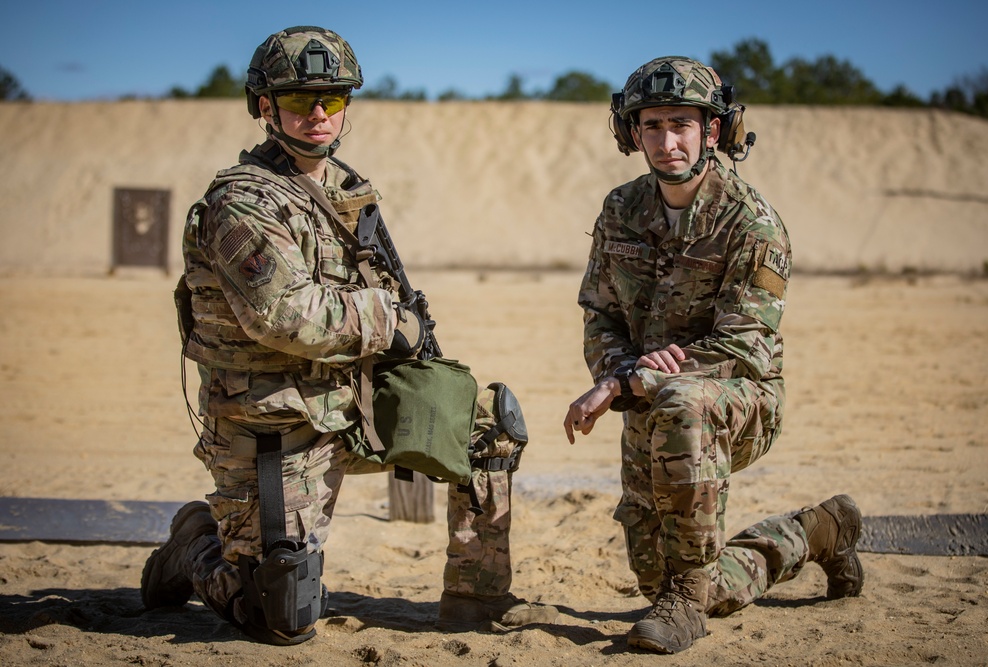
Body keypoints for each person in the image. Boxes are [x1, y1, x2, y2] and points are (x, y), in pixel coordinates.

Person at [141, 25, 556, 645]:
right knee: (278, 616)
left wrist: (418, 355)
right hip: (275, 421)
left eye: (331, 100)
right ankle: (197, 543)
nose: (317, 114)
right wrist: (392, 323)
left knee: (488, 423)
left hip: (353, 399)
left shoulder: (347, 191)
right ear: (264, 107)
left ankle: (477, 599)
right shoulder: (244, 202)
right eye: (299, 99)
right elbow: (285, 315)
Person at [562, 56, 864, 654]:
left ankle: (686, 604)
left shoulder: (752, 223)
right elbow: (599, 313)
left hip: (738, 400)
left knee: (682, 401)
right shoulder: (620, 209)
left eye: (681, 124)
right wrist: (619, 373)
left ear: (713, 130)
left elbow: (742, 346)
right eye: (651, 126)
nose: (667, 141)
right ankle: (816, 532)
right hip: (648, 401)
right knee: (663, 578)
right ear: (631, 133)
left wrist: (627, 385)